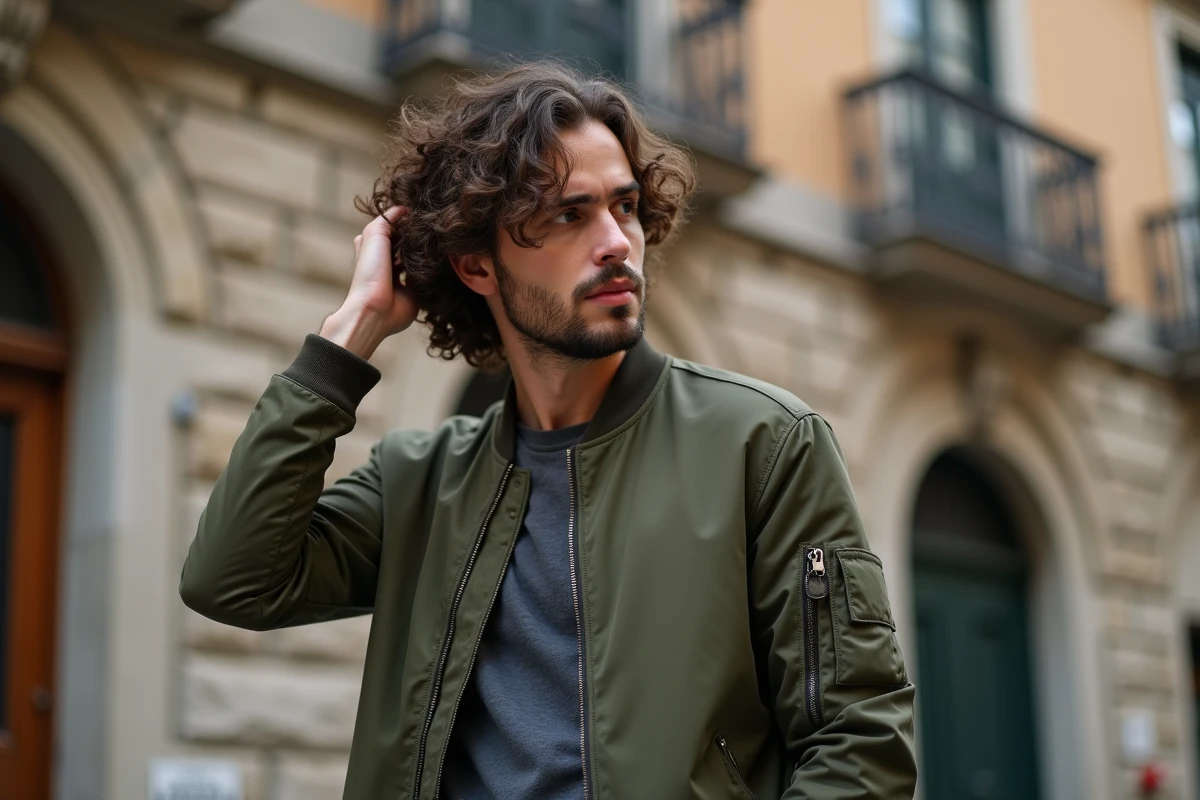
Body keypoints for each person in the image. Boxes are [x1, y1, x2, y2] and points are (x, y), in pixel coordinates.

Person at [180, 62, 917, 799]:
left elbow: (859, 739)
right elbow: (232, 582)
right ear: (477, 265)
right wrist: (349, 336)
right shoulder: (422, 478)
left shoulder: (764, 443)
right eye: (569, 215)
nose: (616, 243)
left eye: (623, 207)